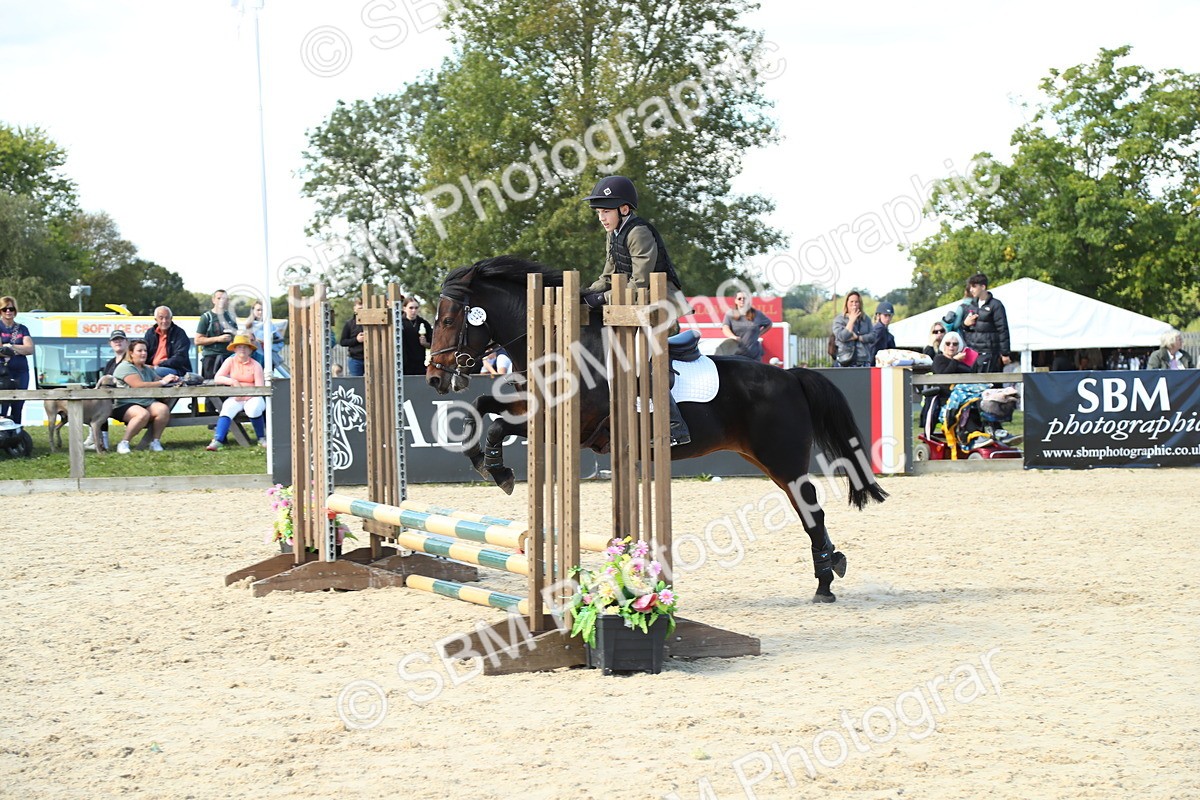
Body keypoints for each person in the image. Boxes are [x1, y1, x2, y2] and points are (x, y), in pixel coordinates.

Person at [581, 175, 692, 446]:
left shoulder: (639, 232)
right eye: (599, 213)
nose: (602, 218)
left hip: (660, 300)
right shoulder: (614, 235)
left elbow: (640, 282)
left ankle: (675, 427)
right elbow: (608, 276)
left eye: (606, 211)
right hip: (637, 301)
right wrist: (585, 295)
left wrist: (603, 298)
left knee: (644, 358)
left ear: (624, 209)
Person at [112, 340, 180, 454]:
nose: (143, 353)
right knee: (142, 414)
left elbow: (157, 380)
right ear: (131, 353)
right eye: (139, 351)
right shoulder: (125, 367)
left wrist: (171, 379)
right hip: (125, 404)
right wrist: (163, 382)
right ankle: (124, 442)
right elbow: (138, 385)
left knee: (163, 409)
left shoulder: (147, 369)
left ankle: (155, 442)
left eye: (145, 350)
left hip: (147, 402)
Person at [206, 334, 267, 451]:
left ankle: (261, 438)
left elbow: (260, 387)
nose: (242, 350)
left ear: (250, 350)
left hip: (253, 396)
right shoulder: (229, 361)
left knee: (253, 409)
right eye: (239, 347)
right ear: (234, 349)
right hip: (235, 396)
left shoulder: (256, 365)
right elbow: (218, 377)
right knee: (227, 408)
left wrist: (246, 396)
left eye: (245, 347)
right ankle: (217, 441)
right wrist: (232, 381)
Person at [86, 329, 131, 451]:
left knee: (100, 406)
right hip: (109, 400)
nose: (118, 342)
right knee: (97, 403)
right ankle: (98, 439)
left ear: (127, 342)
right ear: (110, 343)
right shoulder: (110, 363)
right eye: (115, 340)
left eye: (121, 339)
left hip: (125, 401)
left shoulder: (130, 361)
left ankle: (98, 440)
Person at [960, 273, 1011, 374]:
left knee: (987, 385)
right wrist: (965, 324)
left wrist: (1005, 353)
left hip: (989, 352)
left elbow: (1003, 330)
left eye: (974, 286)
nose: (971, 290)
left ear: (983, 287)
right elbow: (965, 329)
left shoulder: (996, 305)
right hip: (972, 352)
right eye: (970, 287)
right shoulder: (971, 305)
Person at [0, 296, 34, 422]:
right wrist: (19, 349)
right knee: (2, 406)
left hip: (21, 371)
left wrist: (11, 346)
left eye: (11, 308)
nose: (8, 311)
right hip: (2, 372)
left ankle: (17, 435)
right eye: (4, 309)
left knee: (18, 406)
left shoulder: (22, 328)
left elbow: (30, 349)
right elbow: (1, 351)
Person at [195, 289, 239, 379]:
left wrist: (233, 338)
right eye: (219, 298)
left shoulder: (231, 317)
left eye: (224, 298)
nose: (221, 301)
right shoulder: (207, 317)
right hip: (211, 357)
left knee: (229, 388)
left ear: (227, 301)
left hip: (229, 357)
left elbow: (236, 337)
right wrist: (218, 339)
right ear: (213, 300)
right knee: (210, 387)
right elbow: (197, 340)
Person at [721, 291, 773, 361]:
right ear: (735, 301)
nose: (742, 300)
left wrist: (759, 333)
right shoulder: (730, 314)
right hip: (735, 355)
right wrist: (733, 336)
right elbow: (725, 327)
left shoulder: (757, 314)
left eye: (744, 298)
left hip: (754, 355)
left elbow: (769, 324)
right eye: (739, 298)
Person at [144, 306, 193, 377]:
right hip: (151, 367)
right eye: (161, 318)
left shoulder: (179, 333)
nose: (164, 321)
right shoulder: (150, 333)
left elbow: (180, 357)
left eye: (167, 318)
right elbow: (144, 351)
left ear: (171, 319)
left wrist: (159, 365)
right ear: (156, 319)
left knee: (158, 371)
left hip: (174, 369)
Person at [831, 291, 875, 367]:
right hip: (845, 360)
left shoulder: (866, 319)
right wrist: (851, 320)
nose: (854, 304)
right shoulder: (839, 319)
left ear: (860, 303)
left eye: (856, 302)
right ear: (847, 303)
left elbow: (873, 336)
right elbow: (842, 337)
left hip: (863, 360)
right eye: (851, 302)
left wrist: (859, 338)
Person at [401, 297, 433, 375]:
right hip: (402, 365)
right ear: (404, 308)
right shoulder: (399, 323)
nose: (413, 311)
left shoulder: (424, 323)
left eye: (416, 308)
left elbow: (433, 344)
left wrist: (425, 344)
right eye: (411, 308)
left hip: (419, 363)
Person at [339, 299, 365, 377]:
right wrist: (356, 340)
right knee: (356, 383)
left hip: (372, 359)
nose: (361, 311)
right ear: (354, 309)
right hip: (355, 359)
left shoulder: (373, 324)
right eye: (359, 308)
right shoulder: (349, 324)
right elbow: (343, 342)